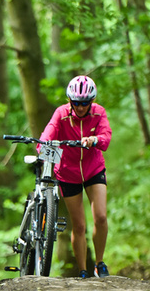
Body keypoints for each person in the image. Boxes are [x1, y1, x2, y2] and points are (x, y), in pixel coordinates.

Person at [39, 75, 112, 279]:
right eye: (77, 103)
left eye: (85, 103)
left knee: (101, 217)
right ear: (70, 101)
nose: (81, 108)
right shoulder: (61, 114)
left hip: (93, 169)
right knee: (79, 225)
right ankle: (82, 270)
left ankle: (99, 263)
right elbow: (49, 132)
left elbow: (106, 137)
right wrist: (43, 145)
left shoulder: (99, 113)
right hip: (68, 172)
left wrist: (95, 139)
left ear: (91, 101)